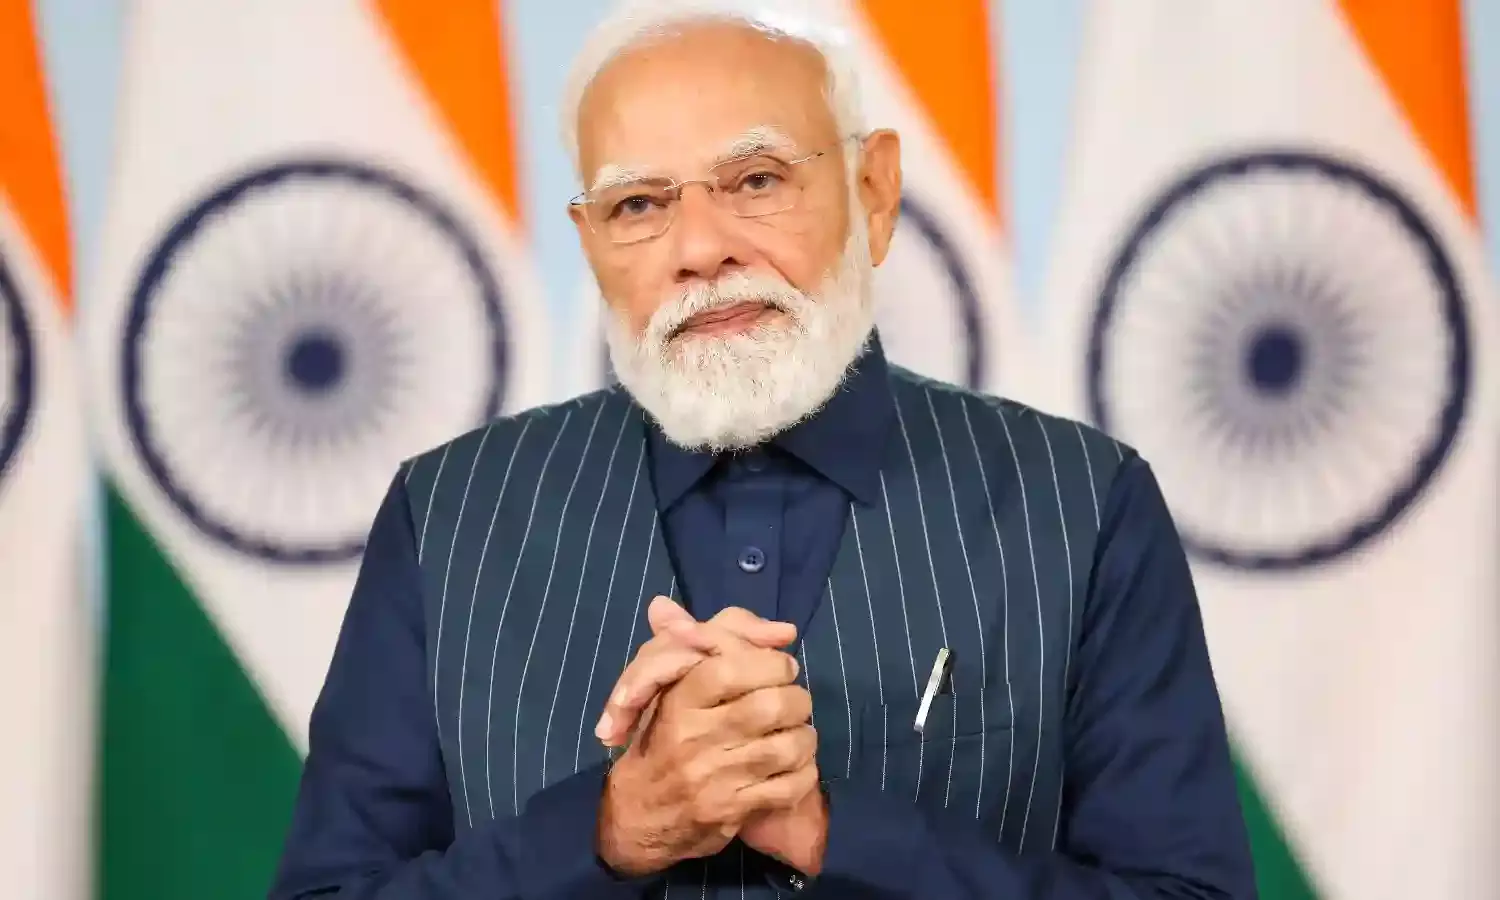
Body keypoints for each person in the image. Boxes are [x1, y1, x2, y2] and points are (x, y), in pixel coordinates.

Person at [269, 4, 1257, 898]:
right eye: (639, 205)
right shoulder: (448, 515)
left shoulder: (1081, 506)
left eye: (755, 180)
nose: (701, 249)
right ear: (590, 240)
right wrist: (608, 832)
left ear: (873, 192)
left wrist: (839, 834)